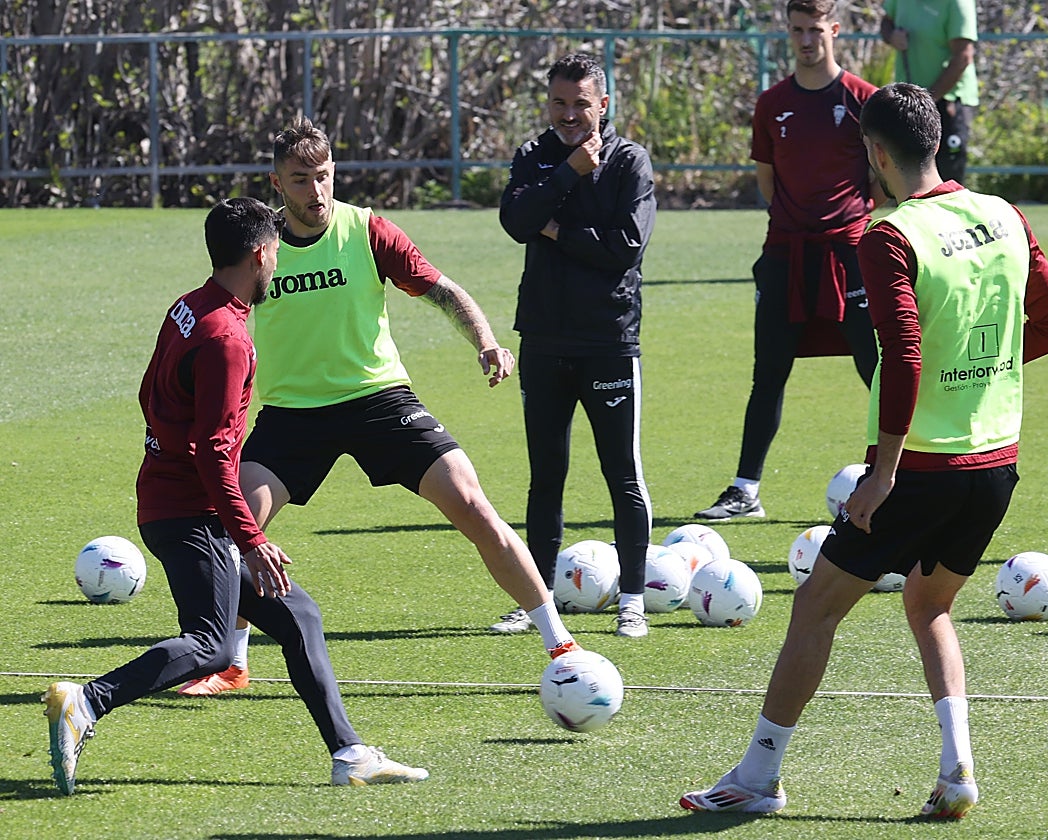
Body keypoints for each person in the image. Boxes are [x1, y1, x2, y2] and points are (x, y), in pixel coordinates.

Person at [678, 83, 1048, 820]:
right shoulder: (1004, 214)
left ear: (876, 153)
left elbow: (903, 357)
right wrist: (984, 372)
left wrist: (882, 472)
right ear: (938, 141)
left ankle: (759, 777)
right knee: (928, 604)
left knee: (814, 608)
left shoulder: (889, 235)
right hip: (996, 464)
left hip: (919, 468)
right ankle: (957, 770)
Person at [176, 117, 579, 696]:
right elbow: (218, 313)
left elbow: (441, 289)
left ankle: (560, 643)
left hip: (379, 399)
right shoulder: (260, 247)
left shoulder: (366, 231)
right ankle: (231, 664)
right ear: (276, 183)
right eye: (299, 180)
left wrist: (486, 341)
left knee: (472, 504)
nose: (315, 191)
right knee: (234, 528)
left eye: (322, 176)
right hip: (294, 414)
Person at [41, 198, 429, 795]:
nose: (278, 261)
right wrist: (250, 538)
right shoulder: (228, 338)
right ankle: (88, 701)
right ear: (258, 255)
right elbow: (215, 453)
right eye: (276, 251)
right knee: (211, 645)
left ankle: (350, 754)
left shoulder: (188, 307)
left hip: (174, 500)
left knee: (298, 616)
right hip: (190, 514)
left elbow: (150, 393)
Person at [695, 0, 882, 522]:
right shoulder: (772, 102)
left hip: (848, 253)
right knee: (769, 371)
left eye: (815, 30)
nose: (805, 40)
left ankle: (909, 476)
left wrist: (848, 221)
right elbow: (767, 179)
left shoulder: (864, 99)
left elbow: (879, 177)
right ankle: (745, 490)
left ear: (835, 30)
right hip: (785, 252)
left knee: (877, 369)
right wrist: (797, 220)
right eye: (797, 30)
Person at [497, 53, 657, 637]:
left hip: (609, 339)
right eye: (559, 103)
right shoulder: (535, 155)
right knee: (546, 476)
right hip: (543, 338)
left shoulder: (630, 161)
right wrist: (566, 174)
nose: (568, 115)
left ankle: (633, 599)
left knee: (623, 473)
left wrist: (558, 228)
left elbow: (625, 248)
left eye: (580, 104)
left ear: (603, 105)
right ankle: (537, 601)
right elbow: (515, 221)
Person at [880, 0, 978, 183]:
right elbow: (886, 22)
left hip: (948, 101)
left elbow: (963, 57)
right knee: (908, 175)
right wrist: (892, 36)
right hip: (910, 103)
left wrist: (928, 100)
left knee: (948, 176)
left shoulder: (958, 3)